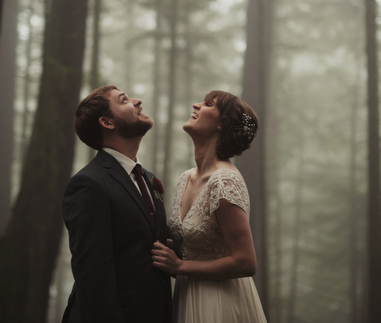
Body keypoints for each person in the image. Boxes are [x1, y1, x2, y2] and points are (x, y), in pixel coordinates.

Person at [151, 90, 267, 323]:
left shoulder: (224, 181)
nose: (195, 105)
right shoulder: (186, 178)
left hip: (220, 301)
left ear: (221, 125)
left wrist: (180, 266)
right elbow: (193, 242)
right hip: (187, 294)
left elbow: (245, 262)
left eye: (207, 104)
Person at [62, 85, 172, 323]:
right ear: (107, 122)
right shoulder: (89, 184)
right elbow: (93, 278)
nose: (137, 101)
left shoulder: (148, 179)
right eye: (124, 100)